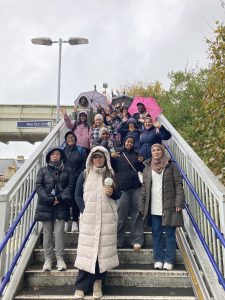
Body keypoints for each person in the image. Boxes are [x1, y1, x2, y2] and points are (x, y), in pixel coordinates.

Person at [74, 146, 120, 300]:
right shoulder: (85, 173)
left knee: (102, 252)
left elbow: (118, 193)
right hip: (89, 218)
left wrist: (112, 192)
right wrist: (84, 210)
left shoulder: (111, 173)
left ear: (105, 158)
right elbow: (77, 195)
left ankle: (98, 282)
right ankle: (81, 285)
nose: (98, 160)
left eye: (100, 157)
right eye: (95, 157)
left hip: (107, 218)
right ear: (91, 159)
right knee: (86, 252)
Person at [138, 144, 185, 270]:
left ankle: (169, 260)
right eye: (153, 150)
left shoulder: (171, 166)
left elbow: (179, 185)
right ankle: (158, 259)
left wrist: (179, 203)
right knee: (156, 233)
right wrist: (142, 206)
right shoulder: (147, 168)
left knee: (170, 233)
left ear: (162, 151)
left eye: (158, 149)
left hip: (169, 206)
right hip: (153, 207)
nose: (156, 152)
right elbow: (144, 189)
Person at [34, 147, 73, 271]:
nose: (55, 156)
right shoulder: (43, 170)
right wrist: (50, 199)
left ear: (61, 156)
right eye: (53, 154)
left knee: (59, 233)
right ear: (49, 157)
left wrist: (59, 198)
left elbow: (70, 186)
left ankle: (60, 258)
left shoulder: (67, 170)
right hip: (46, 206)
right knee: (47, 234)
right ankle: (48, 259)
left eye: (57, 154)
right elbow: (39, 186)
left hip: (61, 205)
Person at [111, 135, 144, 252]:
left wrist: (142, 161)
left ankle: (137, 240)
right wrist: (110, 157)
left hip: (136, 188)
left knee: (137, 214)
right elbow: (109, 168)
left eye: (131, 142)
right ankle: (118, 240)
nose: (129, 144)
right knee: (120, 216)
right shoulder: (117, 155)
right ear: (124, 142)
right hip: (122, 189)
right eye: (127, 142)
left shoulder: (137, 155)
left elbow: (142, 169)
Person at [62, 131, 86, 233]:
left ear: (75, 139)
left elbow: (85, 163)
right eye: (68, 138)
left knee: (76, 200)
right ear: (66, 140)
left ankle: (75, 222)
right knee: (66, 199)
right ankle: (66, 221)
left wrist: (80, 175)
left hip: (77, 178)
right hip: (66, 179)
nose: (70, 139)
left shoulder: (81, 150)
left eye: (72, 137)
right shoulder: (63, 150)